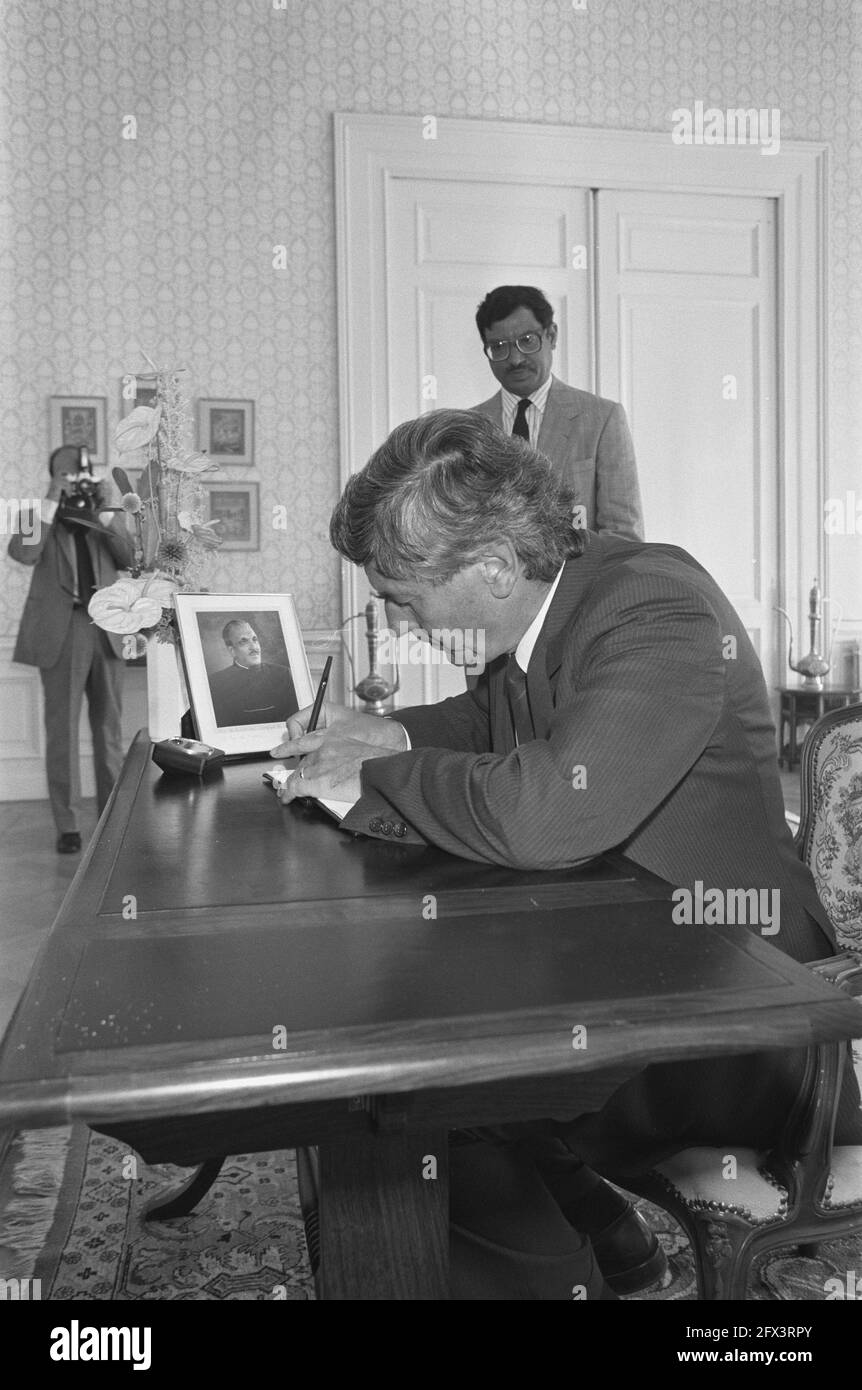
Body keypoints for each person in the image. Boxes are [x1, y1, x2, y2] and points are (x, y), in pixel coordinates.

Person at [271, 408, 861, 1300]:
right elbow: (493, 720)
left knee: (420, 1094)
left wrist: (379, 774)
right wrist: (379, 728)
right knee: (423, 1019)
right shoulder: (550, 599)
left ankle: (558, 1270)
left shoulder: (654, 606)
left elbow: (547, 815)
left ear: (496, 568)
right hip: (636, 961)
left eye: (401, 595)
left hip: (749, 1014)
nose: (396, 621)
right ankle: (613, 1250)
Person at [8, 445, 134, 853]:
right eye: (66, 474)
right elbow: (24, 553)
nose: (74, 480)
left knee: (109, 731)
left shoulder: (103, 513)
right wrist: (50, 498)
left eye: (81, 473)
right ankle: (68, 826)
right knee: (61, 733)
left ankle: (111, 819)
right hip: (62, 633)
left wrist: (106, 509)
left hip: (106, 628)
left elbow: (130, 557)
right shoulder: (36, 513)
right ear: (52, 475)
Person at [472, 284, 644, 540]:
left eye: (527, 341)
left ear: (551, 336)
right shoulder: (469, 430)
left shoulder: (602, 419)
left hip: (579, 577)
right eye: (499, 346)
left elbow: (623, 535)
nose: (515, 358)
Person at [208, 619, 297, 727]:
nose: (254, 647)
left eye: (255, 640)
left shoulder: (283, 674)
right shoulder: (216, 683)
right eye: (244, 642)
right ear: (232, 651)